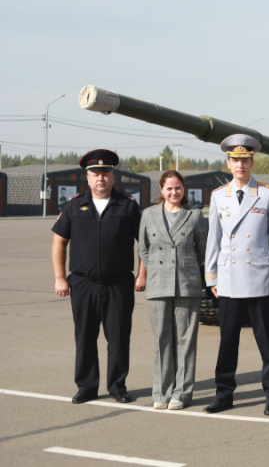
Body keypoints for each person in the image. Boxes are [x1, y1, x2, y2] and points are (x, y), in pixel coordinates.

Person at [51, 149, 145, 404]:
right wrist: (60, 278)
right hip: (82, 284)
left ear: (113, 176)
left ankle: (118, 387)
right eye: (95, 174)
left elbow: (144, 243)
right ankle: (86, 386)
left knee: (118, 338)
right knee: (84, 337)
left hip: (119, 284)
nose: (100, 178)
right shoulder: (73, 206)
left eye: (105, 173)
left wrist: (141, 274)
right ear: (88, 177)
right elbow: (59, 242)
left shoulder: (127, 205)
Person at [203, 134, 269, 415]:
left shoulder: (267, 194)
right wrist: (211, 277)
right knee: (227, 342)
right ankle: (223, 394)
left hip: (259, 278)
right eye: (235, 160)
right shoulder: (217, 196)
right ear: (228, 163)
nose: (240, 165)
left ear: (252, 162)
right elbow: (213, 239)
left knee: (267, 343)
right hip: (228, 280)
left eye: (245, 160)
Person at [138, 170, 208, 410]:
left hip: (186, 283)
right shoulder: (148, 215)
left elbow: (202, 250)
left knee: (185, 341)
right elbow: (144, 249)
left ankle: (182, 393)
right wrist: (156, 271)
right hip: (158, 285)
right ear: (161, 190)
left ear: (183, 189)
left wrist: (184, 267)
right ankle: (161, 392)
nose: (174, 192)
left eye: (178, 188)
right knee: (162, 340)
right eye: (169, 188)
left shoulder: (195, 216)